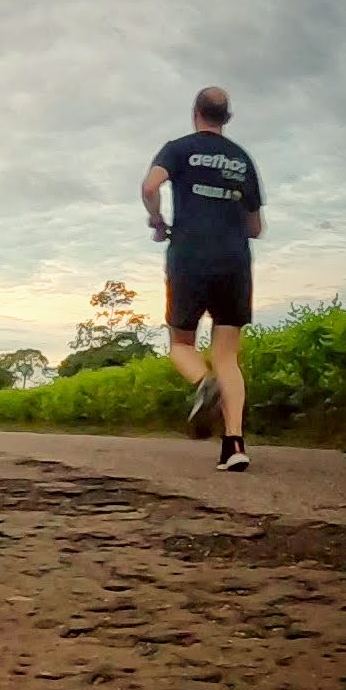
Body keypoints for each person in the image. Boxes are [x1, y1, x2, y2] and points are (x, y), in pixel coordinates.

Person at [140, 85, 264, 471]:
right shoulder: (242, 159)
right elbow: (256, 227)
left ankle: (203, 383)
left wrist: (158, 220)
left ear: (195, 112)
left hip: (189, 256)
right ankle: (235, 445)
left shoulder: (178, 149)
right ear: (227, 118)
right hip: (234, 261)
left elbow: (150, 186)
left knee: (181, 343)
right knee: (227, 356)